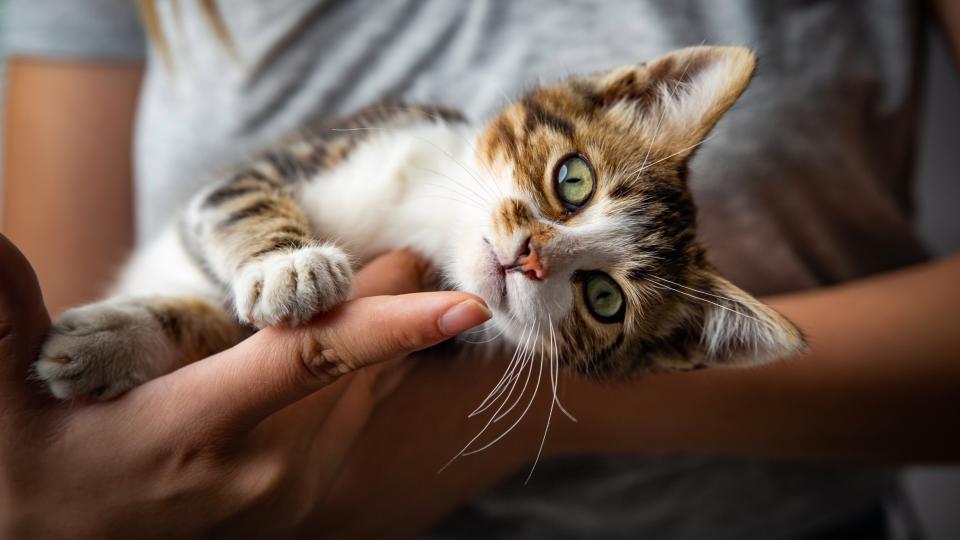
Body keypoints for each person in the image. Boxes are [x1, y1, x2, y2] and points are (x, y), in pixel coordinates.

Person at [2, 0, 958, 538]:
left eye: (598, 293)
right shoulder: (404, 156)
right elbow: (58, 356)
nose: (542, 251)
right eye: (574, 180)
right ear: (633, 92)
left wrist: (463, 430)